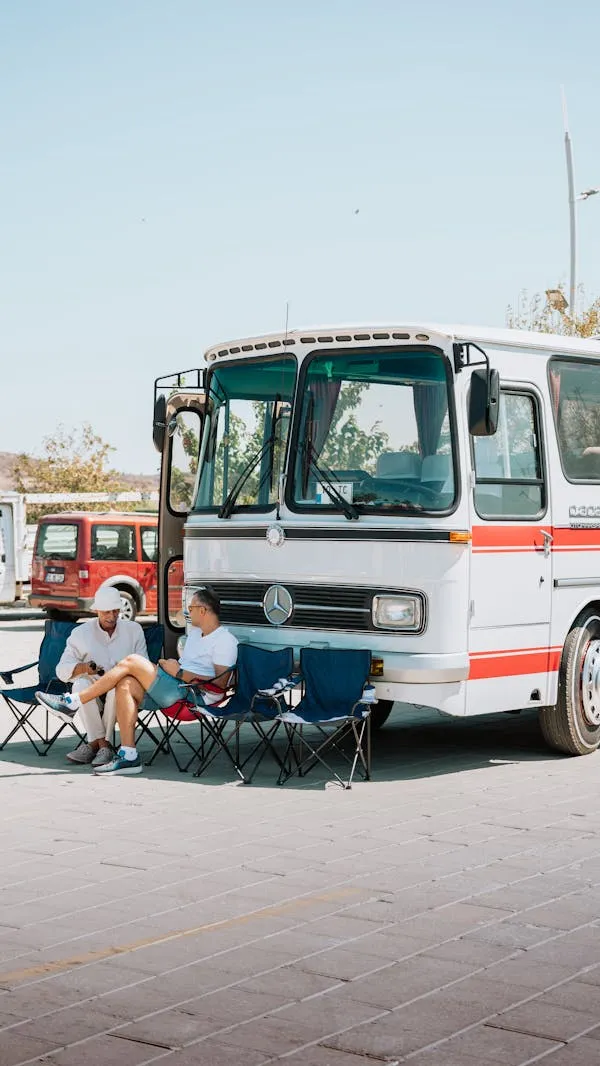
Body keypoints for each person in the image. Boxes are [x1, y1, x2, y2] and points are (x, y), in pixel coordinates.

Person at [37, 586, 238, 776]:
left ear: (202, 610)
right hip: (176, 686)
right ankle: (129, 755)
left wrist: (178, 672)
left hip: (194, 694)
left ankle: (73, 702)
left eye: (191, 608)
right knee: (125, 684)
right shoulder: (194, 635)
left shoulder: (225, 640)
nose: (188, 612)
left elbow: (220, 685)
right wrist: (172, 668)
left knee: (131, 662)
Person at [55, 585, 148, 767]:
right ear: (96, 610)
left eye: (115, 611)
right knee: (80, 685)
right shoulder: (81, 633)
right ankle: (103, 744)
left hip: (124, 692)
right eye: (106, 612)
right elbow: (61, 670)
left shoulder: (134, 629)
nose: (112, 617)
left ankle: (94, 744)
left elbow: (142, 664)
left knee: (119, 687)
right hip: (93, 692)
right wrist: (83, 667)